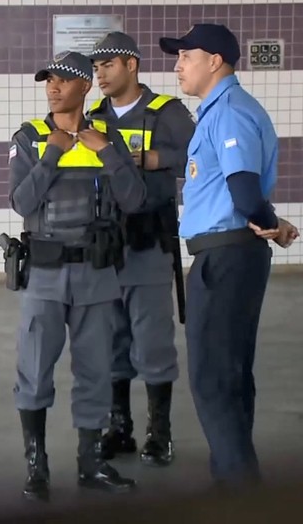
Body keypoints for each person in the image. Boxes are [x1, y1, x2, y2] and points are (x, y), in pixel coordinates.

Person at [158, 23, 299, 487]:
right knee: (231, 376)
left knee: (215, 378)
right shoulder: (220, 111)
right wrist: (272, 223)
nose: (178, 65)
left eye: (186, 56)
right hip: (230, 254)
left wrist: (265, 219)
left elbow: (242, 187)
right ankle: (234, 478)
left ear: (214, 60)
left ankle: (240, 492)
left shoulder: (230, 112)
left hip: (225, 258)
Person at [5, 50, 147, 501]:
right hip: (45, 273)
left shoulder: (108, 138)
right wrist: (51, 155)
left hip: (95, 272)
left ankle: (91, 462)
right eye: (48, 80)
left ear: (85, 86)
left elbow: (135, 199)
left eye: (63, 81)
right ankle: (36, 466)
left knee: (95, 371)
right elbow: (21, 203)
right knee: (34, 370)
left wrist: (107, 153)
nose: (53, 87)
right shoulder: (29, 138)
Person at [87, 32, 196, 466]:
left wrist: (149, 159)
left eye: (108, 65)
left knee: (152, 342)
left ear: (131, 65)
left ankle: (160, 431)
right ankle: (121, 428)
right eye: (95, 68)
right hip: (104, 248)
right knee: (112, 341)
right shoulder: (92, 117)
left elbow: (195, 153)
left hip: (149, 243)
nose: (100, 75)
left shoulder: (165, 112)